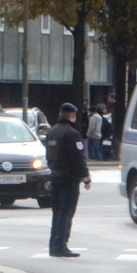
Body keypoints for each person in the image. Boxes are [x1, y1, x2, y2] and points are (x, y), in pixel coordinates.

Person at [42, 101, 91, 258]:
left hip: (55, 176)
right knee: (66, 212)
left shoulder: (52, 132)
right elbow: (79, 158)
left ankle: (53, 245)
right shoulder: (72, 134)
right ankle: (61, 245)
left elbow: (48, 155)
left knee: (57, 212)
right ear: (73, 115)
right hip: (69, 178)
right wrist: (86, 177)